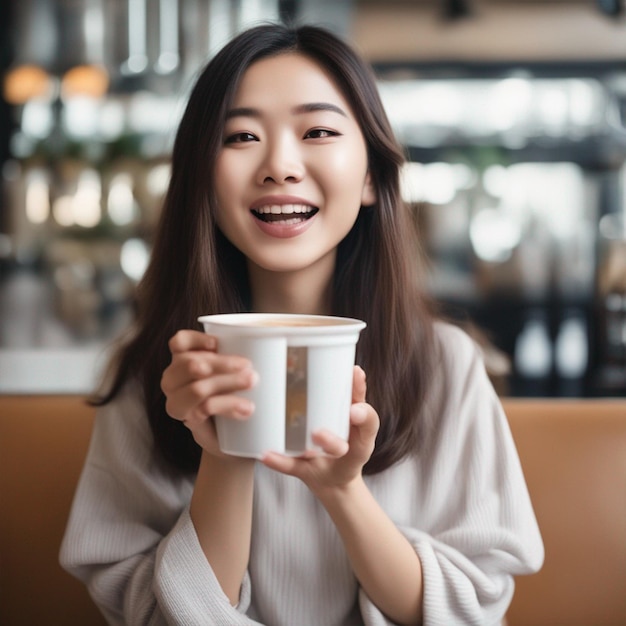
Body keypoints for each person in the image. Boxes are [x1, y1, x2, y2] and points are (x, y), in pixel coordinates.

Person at [60, 22, 543, 626]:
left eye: (317, 131)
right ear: (203, 183)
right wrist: (227, 454)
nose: (280, 166)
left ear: (371, 175)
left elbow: (468, 613)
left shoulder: (445, 363)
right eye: (240, 136)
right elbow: (156, 618)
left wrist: (341, 489)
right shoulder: (152, 372)